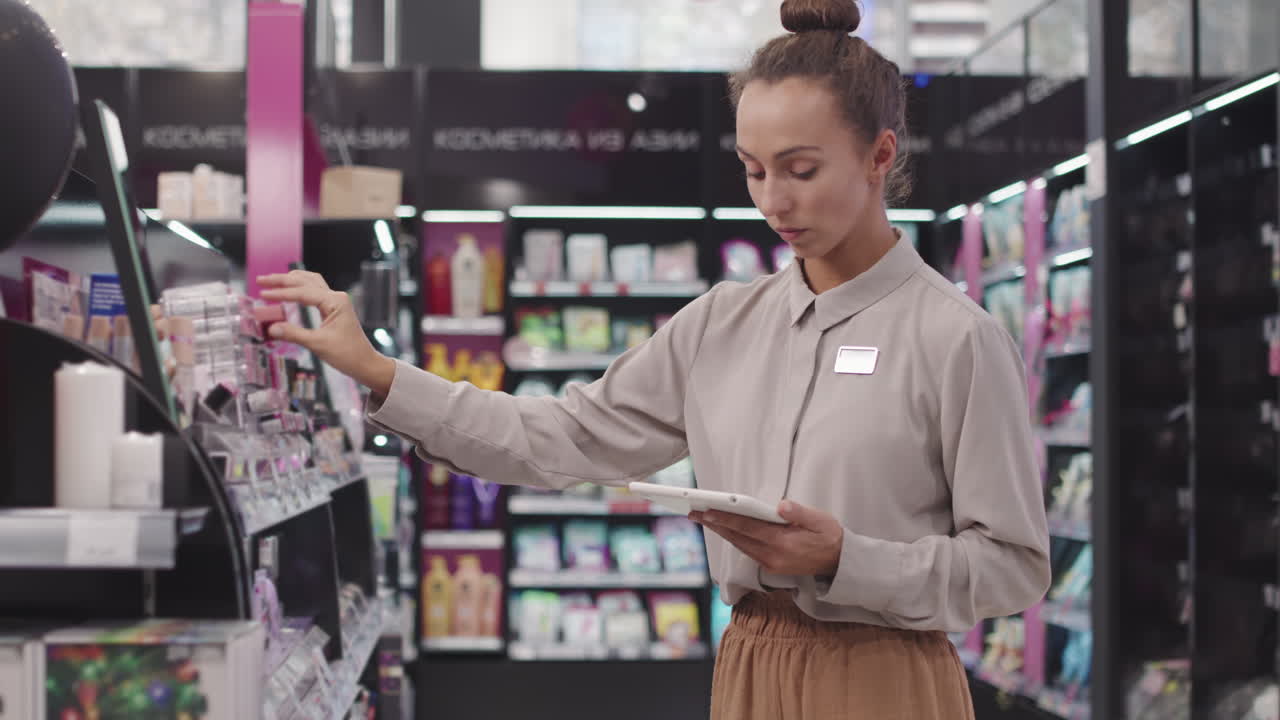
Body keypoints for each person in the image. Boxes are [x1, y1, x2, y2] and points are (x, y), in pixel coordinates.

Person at [259, 0, 1051, 715]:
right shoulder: (721, 323)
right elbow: (560, 437)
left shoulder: (958, 338)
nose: (774, 199)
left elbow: (1014, 565)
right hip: (747, 664)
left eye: (802, 170)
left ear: (881, 155)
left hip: (888, 676)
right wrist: (377, 371)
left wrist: (850, 559)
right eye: (753, 170)